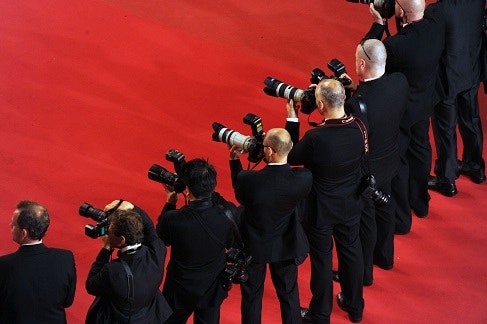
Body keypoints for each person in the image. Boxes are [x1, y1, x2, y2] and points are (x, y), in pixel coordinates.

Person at [287, 79, 366, 323]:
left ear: (320, 104)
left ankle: (321, 315)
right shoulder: (360, 126)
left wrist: (292, 119)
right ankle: (355, 308)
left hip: (321, 209)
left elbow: (290, 157)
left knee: (322, 260)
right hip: (351, 202)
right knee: (351, 252)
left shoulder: (316, 138)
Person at [364, 0, 445, 233]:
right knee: (421, 150)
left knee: (398, 162)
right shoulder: (436, 24)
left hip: (401, 110)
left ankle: (400, 218)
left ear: (401, 10)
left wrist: (379, 24)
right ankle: (420, 203)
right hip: (425, 102)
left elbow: (369, 55)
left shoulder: (396, 46)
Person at [228, 128, 313, 324]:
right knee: (289, 295)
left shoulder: (248, 179)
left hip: (253, 247)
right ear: (290, 148)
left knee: (251, 296)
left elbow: (240, 194)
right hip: (286, 245)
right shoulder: (303, 178)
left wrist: (234, 160)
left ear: (269, 152)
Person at [343, 39, 409, 284]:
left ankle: (364, 274)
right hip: (391, 158)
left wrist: (353, 95)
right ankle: (386, 256)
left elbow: (353, 138)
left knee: (367, 219)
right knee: (387, 206)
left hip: (367, 170)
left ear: (361, 63)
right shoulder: (400, 82)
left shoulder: (358, 103)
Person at [156, 158, 238, 324]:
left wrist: (170, 203)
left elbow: (161, 239)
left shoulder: (173, 219)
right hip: (212, 288)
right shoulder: (228, 212)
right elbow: (230, 243)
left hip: (179, 290)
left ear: (187, 190)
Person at [428, 0, 486, 197]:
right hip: (471, 71)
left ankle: (447, 179)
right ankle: (475, 167)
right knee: (471, 119)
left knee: (446, 129)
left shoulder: (437, 10)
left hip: (447, 79)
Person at [85, 199, 172, 323]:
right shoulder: (158, 249)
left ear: (121, 240)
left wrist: (105, 249)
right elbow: (149, 227)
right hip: (148, 316)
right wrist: (131, 206)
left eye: (110, 231)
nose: (107, 234)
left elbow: (91, 285)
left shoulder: (113, 271)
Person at [0, 200, 76, 323]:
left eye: (13, 225)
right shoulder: (66, 258)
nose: (10, 225)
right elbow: (68, 301)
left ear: (24, 233)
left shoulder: (3, 265)